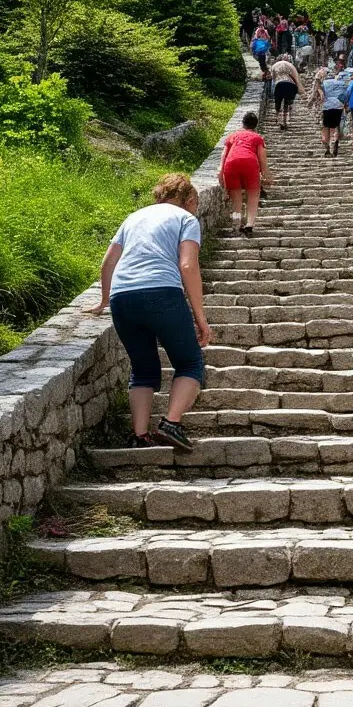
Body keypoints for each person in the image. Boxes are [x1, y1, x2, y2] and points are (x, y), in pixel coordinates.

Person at [88, 173, 209, 452]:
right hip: (161, 292)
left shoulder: (133, 218)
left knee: (142, 369)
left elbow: (108, 263)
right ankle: (171, 423)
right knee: (190, 362)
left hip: (123, 298)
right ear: (190, 199)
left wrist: (105, 300)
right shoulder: (186, 219)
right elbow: (188, 266)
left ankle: (139, 435)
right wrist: (200, 319)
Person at [219, 111, 271, 236]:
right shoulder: (258, 138)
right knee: (253, 197)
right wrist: (266, 175)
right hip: (250, 164)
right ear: (255, 126)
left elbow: (223, 157)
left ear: (242, 123)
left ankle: (236, 224)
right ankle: (249, 225)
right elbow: (262, 159)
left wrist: (221, 177)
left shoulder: (232, 136)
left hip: (231, 164)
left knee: (237, 200)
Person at [320, 68, 349, 157]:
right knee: (336, 126)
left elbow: (321, 95)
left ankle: (327, 148)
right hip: (338, 106)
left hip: (327, 106)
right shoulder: (342, 83)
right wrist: (345, 105)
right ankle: (335, 141)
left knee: (326, 127)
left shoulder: (324, 83)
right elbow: (345, 95)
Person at [270, 54, 302, 130]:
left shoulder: (275, 65)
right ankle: (285, 121)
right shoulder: (290, 65)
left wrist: (272, 91)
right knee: (286, 105)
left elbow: (273, 79)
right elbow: (296, 77)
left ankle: (278, 119)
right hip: (290, 84)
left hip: (279, 84)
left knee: (278, 103)